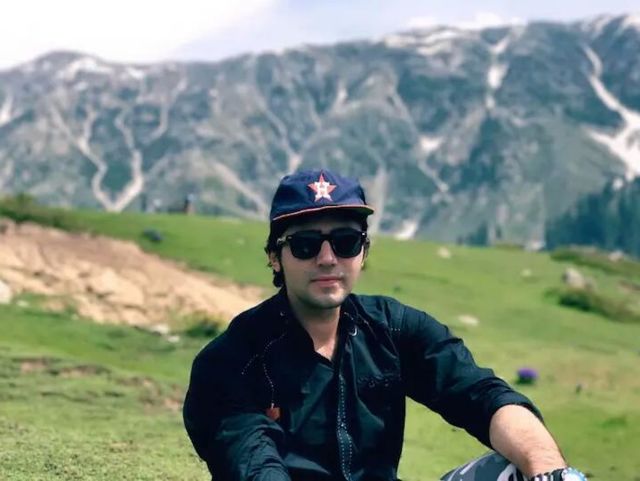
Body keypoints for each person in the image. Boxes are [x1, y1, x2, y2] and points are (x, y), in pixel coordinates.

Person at [183, 169, 587, 481]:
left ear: (363, 251)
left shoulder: (395, 329)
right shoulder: (230, 360)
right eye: (305, 245)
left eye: (345, 242)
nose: (327, 258)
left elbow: (483, 396)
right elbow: (253, 464)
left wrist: (548, 470)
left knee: (520, 468)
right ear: (275, 256)